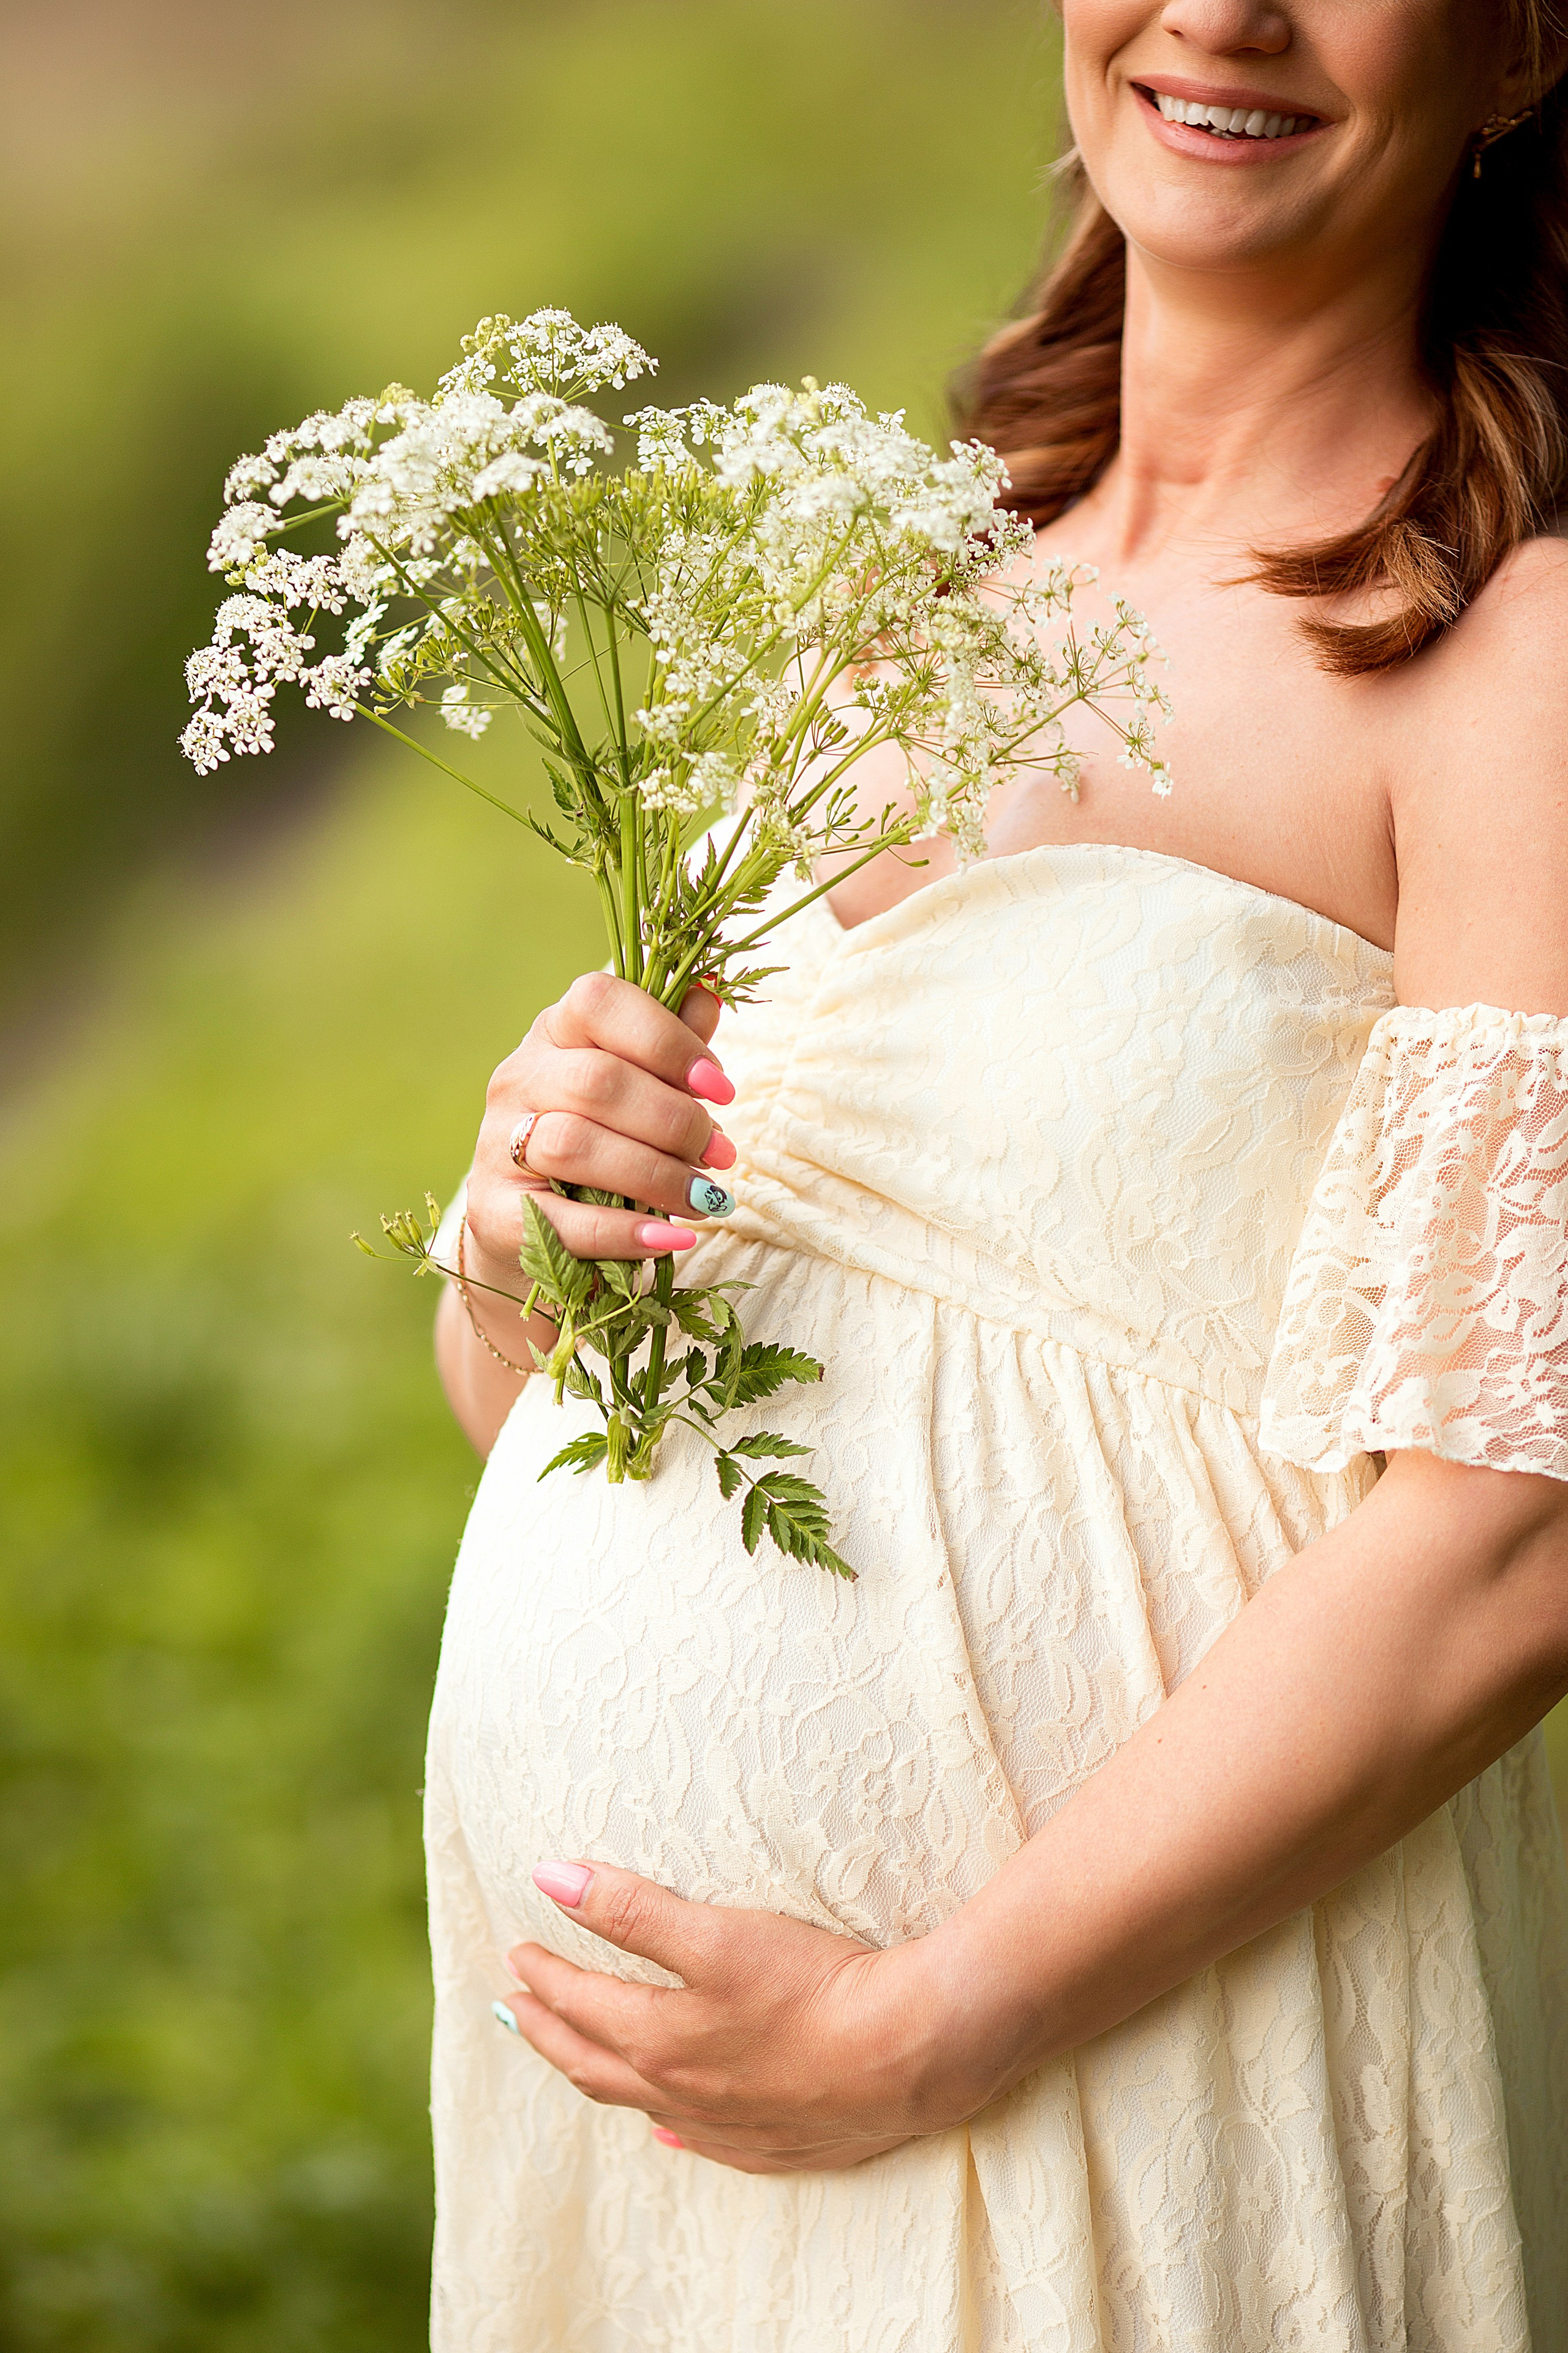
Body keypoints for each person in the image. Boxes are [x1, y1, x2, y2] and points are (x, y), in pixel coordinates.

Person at [423, 3, 1568, 2345]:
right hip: (647, 2146)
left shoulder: (1518, 656)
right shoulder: (896, 581)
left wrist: (930, 2020)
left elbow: (1510, 1525)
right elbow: (575, 1402)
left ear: (1519, 48)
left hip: (1115, 2082)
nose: (1224, 13)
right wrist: (528, 1245)